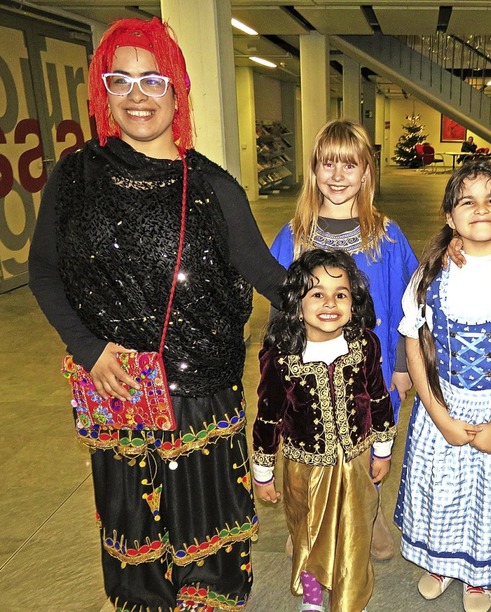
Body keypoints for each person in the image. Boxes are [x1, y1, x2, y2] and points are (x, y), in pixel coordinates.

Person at [28, 17, 286, 611]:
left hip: (200, 386)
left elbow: (266, 274)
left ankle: (210, 594)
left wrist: (342, 288)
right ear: (103, 93)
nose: (138, 95)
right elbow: (45, 273)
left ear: (177, 91)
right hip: (118, 383)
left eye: (153, 80)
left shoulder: (213, 186)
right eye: (121, 80)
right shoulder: (74, 177)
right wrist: (88, 350)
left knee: (204, 512)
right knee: (131, 513)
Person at [394, 160, 491, 612]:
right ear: (449, 216)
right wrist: (438, 415)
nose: (480, 209)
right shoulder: (428, 275)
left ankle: (479, 574)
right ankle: (440, 560)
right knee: (440, 488)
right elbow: (414, 348)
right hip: (442, 406)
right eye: (467, 201)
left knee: (490, 497)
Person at [270, 119, 418, 559]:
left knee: (366, 451)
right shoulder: (294, 235)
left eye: (348, 165)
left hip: (370, 372)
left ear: (366, 172)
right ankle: (309, 521)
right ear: (314, 171)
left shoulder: (386, 236)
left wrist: (403, 365)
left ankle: (366, 516)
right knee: (309, 445)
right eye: (327, 164)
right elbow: (279, 308)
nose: (337, 176)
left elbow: (409, 305)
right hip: (311, 371)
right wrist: (279, 369)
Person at [252, 248, 396, 612]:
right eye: (317, 294)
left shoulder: (364, 345)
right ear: (296, 303)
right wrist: (264, 472)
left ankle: (349, 601)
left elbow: (378, 399)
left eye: (341, 294)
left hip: (356, 464)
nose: (330, 303)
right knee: (310, 534)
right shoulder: (282, 355)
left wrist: (382, 450)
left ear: (354, 301)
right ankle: (314, 599)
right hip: (306, 471)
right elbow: (268, 415)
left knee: (355, 533)